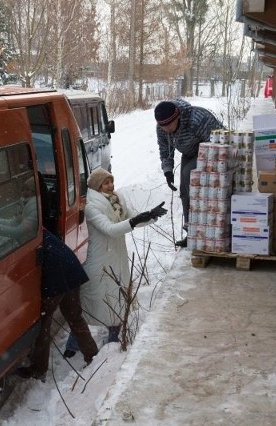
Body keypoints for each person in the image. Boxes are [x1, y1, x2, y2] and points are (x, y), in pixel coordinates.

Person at [64, 168, 167, 357]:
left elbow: (131, 217)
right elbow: (109, 229)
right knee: (92, 299)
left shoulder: (116, 200)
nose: (111, 185)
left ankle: (113, 338)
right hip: (99, 259)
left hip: (117, 257)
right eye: (106, 183)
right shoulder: (91, 206)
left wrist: (150, 216)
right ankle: (75, 342)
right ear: (97, 186)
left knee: (117, 296)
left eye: (111, 181)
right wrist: (135, 221)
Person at [16, 228, 99, 381]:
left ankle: (38, 369)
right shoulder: (38, 228)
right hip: (71, 270)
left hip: (56, 279)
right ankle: (93, 355)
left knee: (43, 323)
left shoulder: (26, 233)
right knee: (75, 317)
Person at [154, 99, 224, 247]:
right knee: (185, 191)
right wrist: (168, 171)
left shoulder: (197, 119)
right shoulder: (162, 127)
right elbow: (165, 149)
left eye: (168, 125)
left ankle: (209, 230)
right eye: (162, 126)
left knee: (190, 179)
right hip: (189, 152)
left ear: (177, 116)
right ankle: (191, 232)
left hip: (213, 149)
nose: (165, 129)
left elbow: (217, 141)